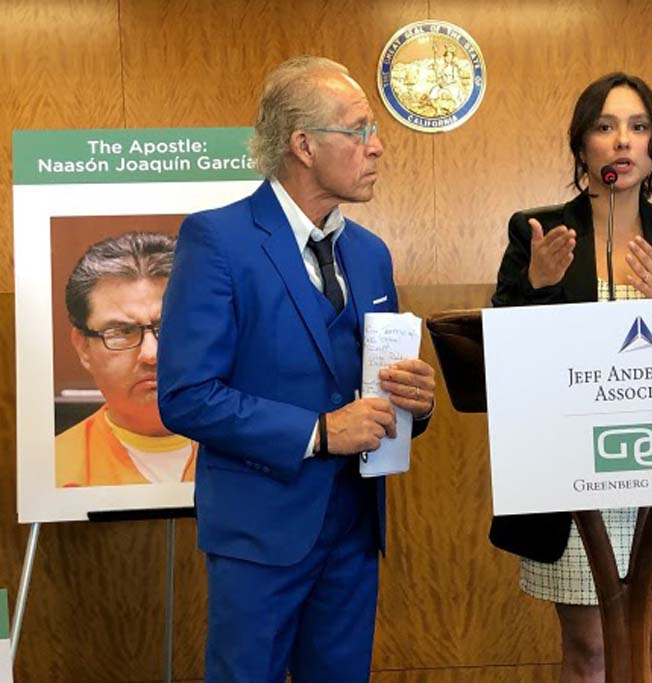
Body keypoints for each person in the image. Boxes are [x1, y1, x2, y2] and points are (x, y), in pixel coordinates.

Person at [156, 56, 436, 682]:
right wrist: (317, 432)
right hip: (259, 537)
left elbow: (376, 389)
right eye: (360, 129)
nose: (378, 146)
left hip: (356, 533)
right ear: (304, 144)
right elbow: (186, 395)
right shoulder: (218, 240)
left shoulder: (370, 253)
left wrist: (416, 403)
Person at [490, 72, 652, 683]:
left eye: (638, 126)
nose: (622, 140)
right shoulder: (536, 232)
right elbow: (505, 362)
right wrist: (538, 289)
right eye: (605, 126)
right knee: (589, 652)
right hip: (572, 484)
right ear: (582, 147)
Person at [56, 231, 195, 487]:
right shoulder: (56, 471)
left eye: (169, 326)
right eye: (121, 332)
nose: (152, 354)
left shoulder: (254, 453)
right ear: (83, 347)